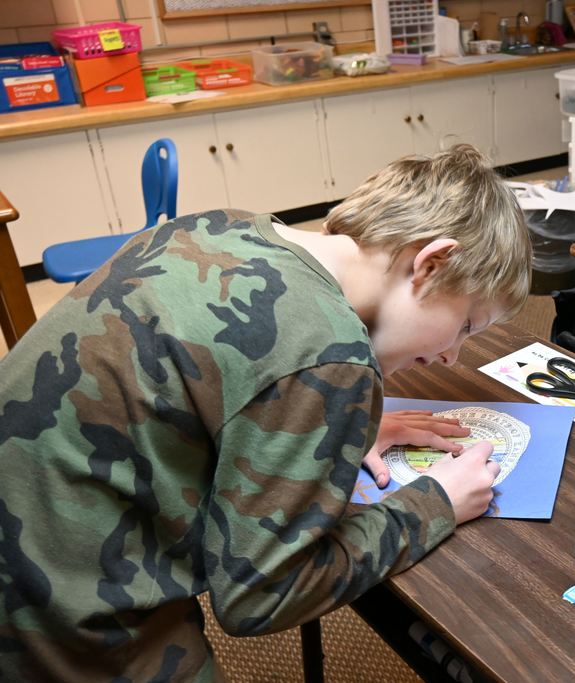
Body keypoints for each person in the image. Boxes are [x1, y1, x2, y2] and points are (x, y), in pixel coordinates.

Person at [0, 144, 531, 681]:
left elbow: (227, 387)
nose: (452, 356)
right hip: (54, 608)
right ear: (431, 262)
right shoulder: (330, 355)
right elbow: (261, 596)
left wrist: (336, 421)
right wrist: (434, 503)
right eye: (466, 325)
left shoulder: (221, 226)